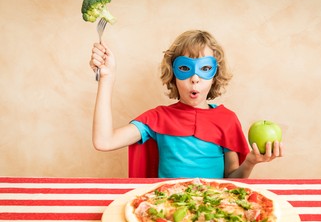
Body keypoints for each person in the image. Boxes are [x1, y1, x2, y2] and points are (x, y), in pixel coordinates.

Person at [89, 30, 283, 178]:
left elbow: (231, 180)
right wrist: (107, 77)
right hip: (167, 211)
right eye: (185, 68)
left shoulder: (227, 120)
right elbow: (104, 141)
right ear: (173, 73)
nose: (195, 78)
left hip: (213, 213)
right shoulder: (158, 118)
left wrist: (250, 162)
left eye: (205, 68)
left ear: (215, 74)